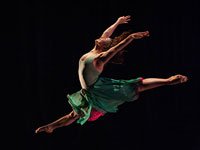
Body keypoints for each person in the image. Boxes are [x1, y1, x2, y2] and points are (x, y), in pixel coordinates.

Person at [35, 15, 188, 134]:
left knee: (135, 86)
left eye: (105, 39)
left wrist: (131, 38)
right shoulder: (94, 50)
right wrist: (117, 22)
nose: (103, 36)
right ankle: (51, 127)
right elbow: (107, 33)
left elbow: (114, 49)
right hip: (89, 93)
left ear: (104, 47)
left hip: (99, 94)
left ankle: (168, 81)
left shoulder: (99, 59)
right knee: (72, 115)